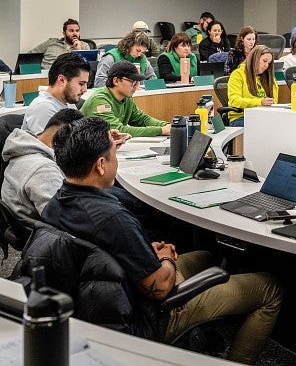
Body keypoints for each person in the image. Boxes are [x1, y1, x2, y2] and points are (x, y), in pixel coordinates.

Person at [44, 117, 282, 365]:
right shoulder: (113, 219)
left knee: (206, 257)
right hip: (142, 318)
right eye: (113, 151)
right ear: (101, 165)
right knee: (269, 288)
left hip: (98, 304)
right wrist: (165, 257)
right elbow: (160, 287)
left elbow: (109, 252)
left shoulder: (56, 204)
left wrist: (145, 252)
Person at [2, 109, 85, 220]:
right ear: (62, 138)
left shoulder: (25, 149)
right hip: (47, 233)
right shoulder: (43, 170)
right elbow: (66, 220)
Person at [82, 61, 170, 136]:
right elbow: (118, 131)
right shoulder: (100, 101)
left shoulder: (127, 98)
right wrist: (161, 130)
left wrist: (167, 126)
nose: (136, 86)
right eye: (132, 82)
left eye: (137, 82)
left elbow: (141, 119)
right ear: (116, 81)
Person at [22, 53, 90, 135]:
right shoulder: (43, 108)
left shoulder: (68, 103)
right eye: (81, 84)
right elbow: (51, 146)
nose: (85, 89)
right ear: (61, 80)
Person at [227, 45, 278, 127]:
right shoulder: (238, 74)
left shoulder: (270, 78)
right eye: (264, 61)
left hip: (264, 116)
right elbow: (234, 101)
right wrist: (259, 102)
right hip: (241, 118)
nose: (266, 66)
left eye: (269, 63)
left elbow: (274, 101)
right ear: (255, 59)